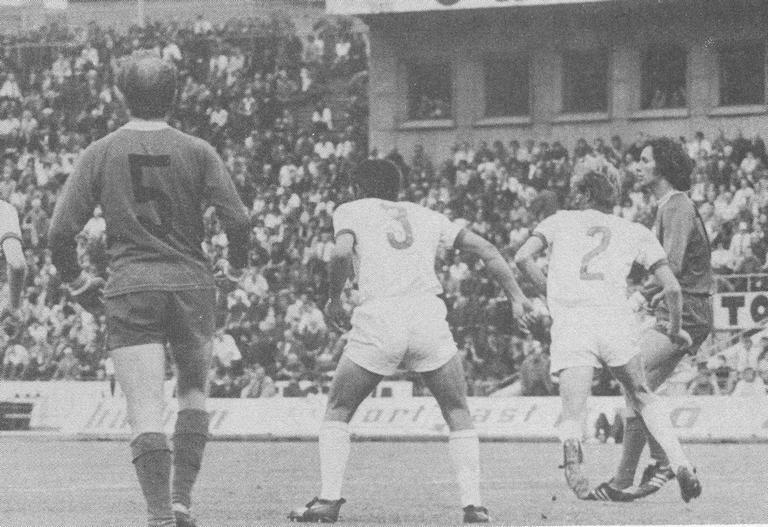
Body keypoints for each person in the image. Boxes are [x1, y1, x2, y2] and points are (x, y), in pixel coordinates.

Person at [48, 52, 250, 527]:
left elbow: (59, 233)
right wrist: (236, 270)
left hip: (132, 286)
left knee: (144, 411)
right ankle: (182, 501)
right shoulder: (198, 150)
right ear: (175, 95)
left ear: (122, 96)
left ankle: (159, 516)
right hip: (191, 284)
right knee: (193, 394)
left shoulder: (100, 152)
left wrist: (77, 283)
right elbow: (238, 221)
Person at [288, 159, 533, 524]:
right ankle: (474, 506)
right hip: (426, 317)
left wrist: (334, 299)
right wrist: (516, 297)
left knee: (338, 408)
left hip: (381, 316)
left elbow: (340, 253)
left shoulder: (351, 210)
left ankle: (328, 500)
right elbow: (487, 250)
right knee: (457, 411)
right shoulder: (427, 215)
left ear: (358, 188)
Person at [514, 169, 701, 503]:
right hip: (614, 317)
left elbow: (522, 257)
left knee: (573, 408)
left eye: (577, 191)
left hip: (572, 319)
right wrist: (674, 330)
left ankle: (572, 447)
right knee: (641, 393)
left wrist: (551, 293)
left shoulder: (559, 220)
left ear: (585, 194)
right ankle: (680, 463)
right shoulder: (634, 230)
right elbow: (672, 287)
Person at [589, 136, 713, 501]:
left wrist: (640, 295)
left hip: (686, 309)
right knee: (636, 391)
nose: (638, 166)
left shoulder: (677, 205)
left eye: (644, 160)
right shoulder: (669, 206)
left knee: (632, 376)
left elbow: (671, 265)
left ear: (663, 165)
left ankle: (661, 462)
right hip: (681, 307)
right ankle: (623, 480)